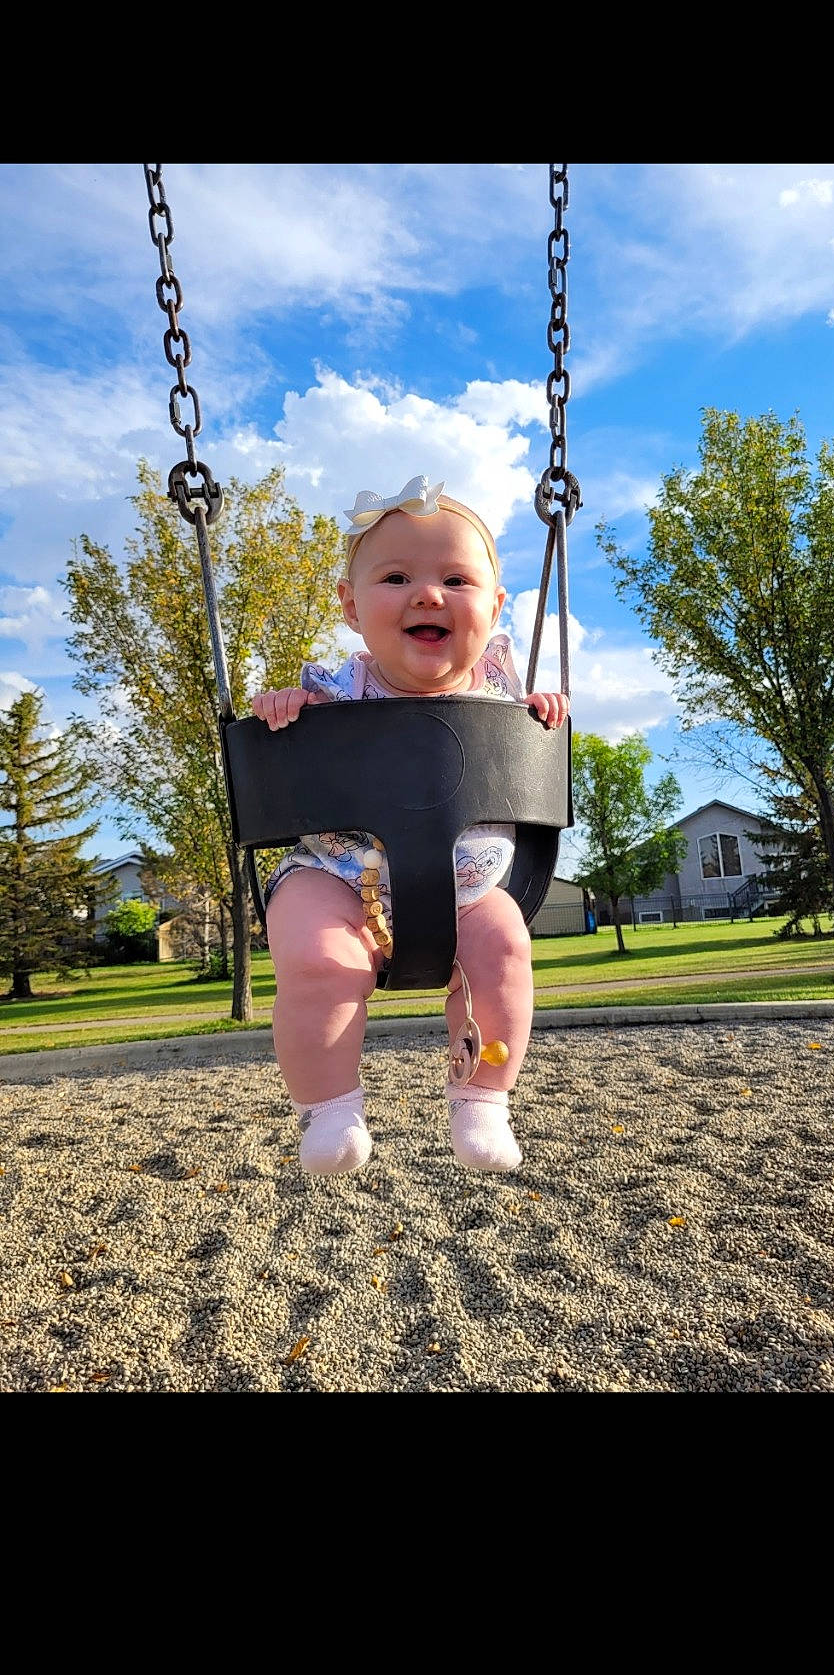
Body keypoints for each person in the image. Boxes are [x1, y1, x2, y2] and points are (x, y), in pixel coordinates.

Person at [251, 474, 569, 1178]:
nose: (428, 594)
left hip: (468, 885)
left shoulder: (501, 692)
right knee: (316, 962)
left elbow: (534, 748)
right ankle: (329, 1110)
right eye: (396, 577)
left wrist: (542, 710)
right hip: (337, 873)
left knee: (505, 953)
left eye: (455, 579)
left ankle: (482, 1097)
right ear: (351, 606)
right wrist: (282, 708)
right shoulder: (335, 691)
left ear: (493, 605)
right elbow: (285, 735)